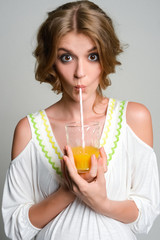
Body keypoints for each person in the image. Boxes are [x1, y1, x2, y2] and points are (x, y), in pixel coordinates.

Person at [2, 1, 160, 239]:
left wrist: (101, 201)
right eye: (66, 57)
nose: (80, 72)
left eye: (92, 56)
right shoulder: (29, 131)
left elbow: (145, 217)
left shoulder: (134, 119)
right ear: (51, 61)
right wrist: (68, 189)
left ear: (105, 57)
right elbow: (15, 228)